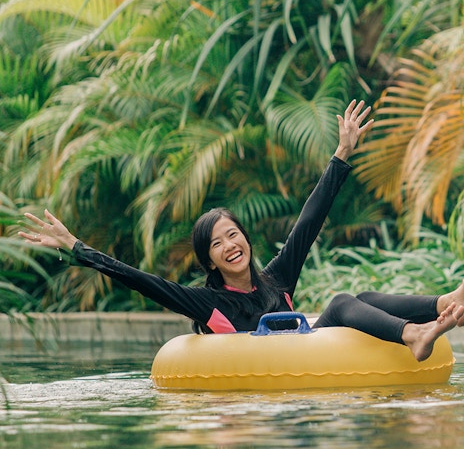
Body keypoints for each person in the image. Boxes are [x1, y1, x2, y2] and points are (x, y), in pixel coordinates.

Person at [18, 100, 464, 362]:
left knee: (358, 300)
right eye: (216, 243)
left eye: (233, 235)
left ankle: (443, 303)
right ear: (208, 259)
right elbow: (140, 280)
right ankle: (413, 334)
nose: (230, 245)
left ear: (245, 239)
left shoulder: (275, 279)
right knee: (342, 301)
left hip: (304, 356)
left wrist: (341, 154)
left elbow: (308, 222)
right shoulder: (206, 301)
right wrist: (78, 248)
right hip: (264, 383)